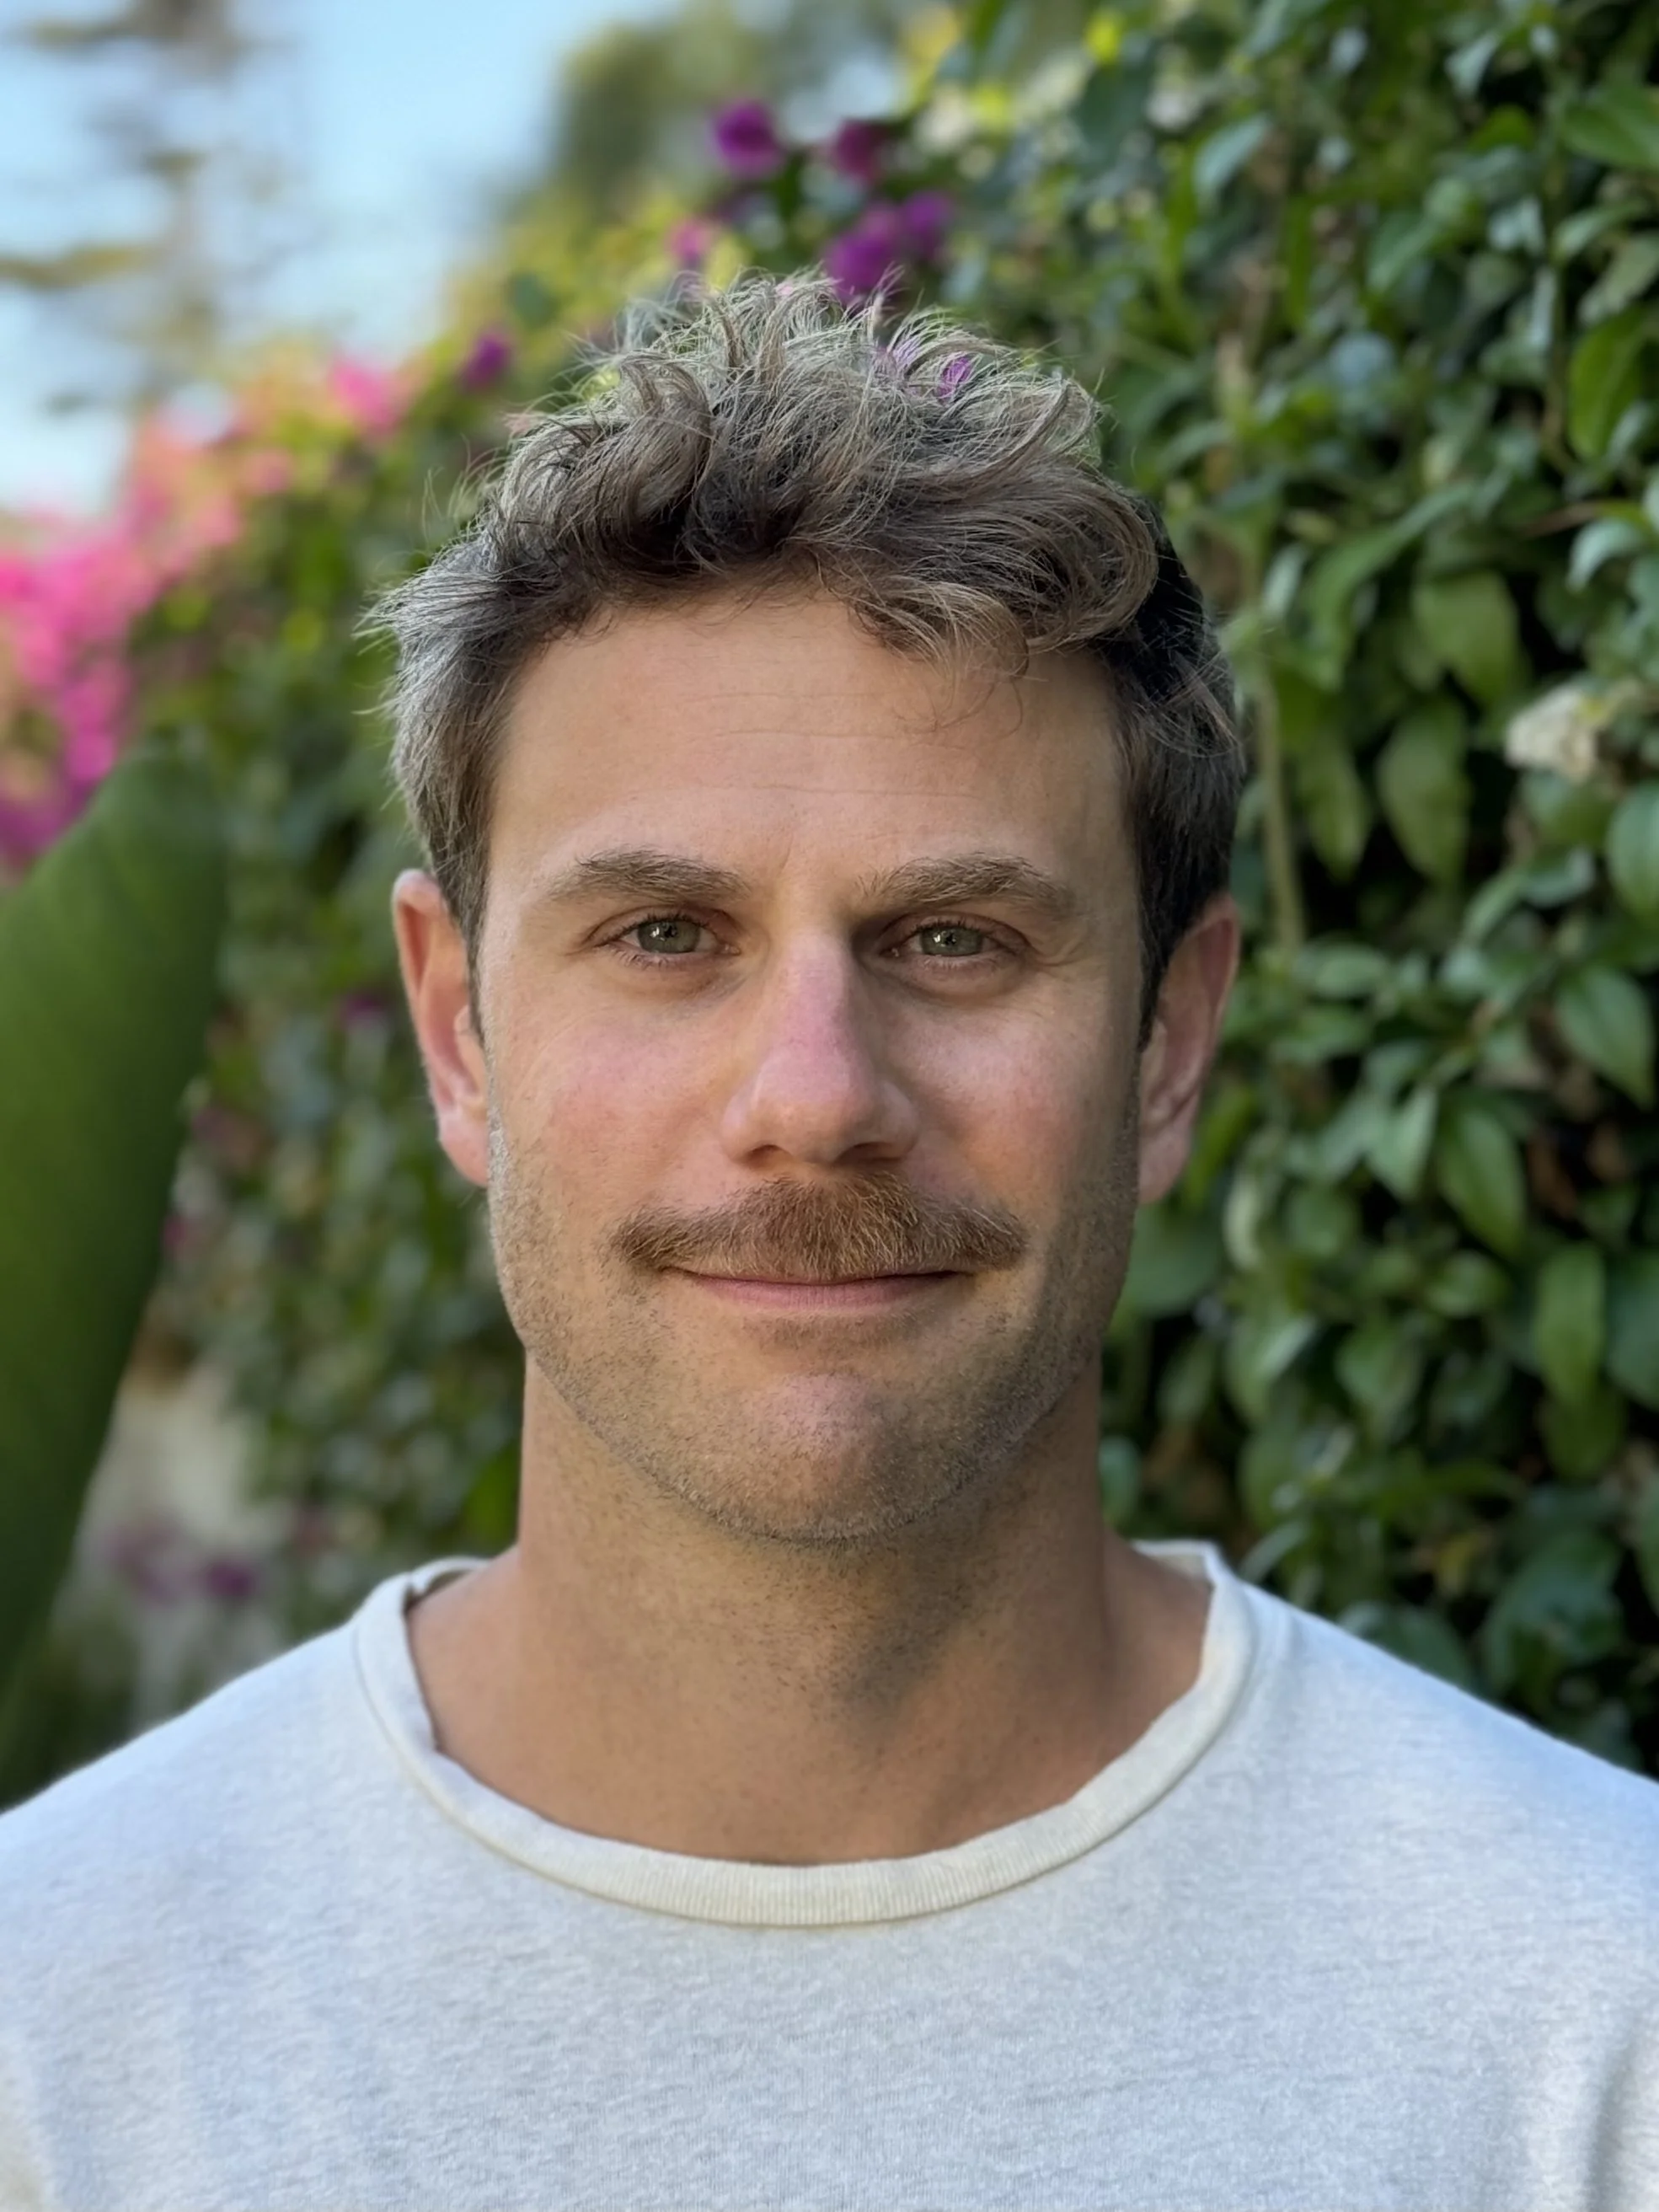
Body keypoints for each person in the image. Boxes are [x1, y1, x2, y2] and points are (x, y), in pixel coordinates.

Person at [1, 274, 1655, 2212]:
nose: (815, 1093)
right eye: (663, 935)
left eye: (956, 938)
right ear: (459, 1036)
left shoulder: (1592, 2011)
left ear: (1169, 1045)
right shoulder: (53, 2037)